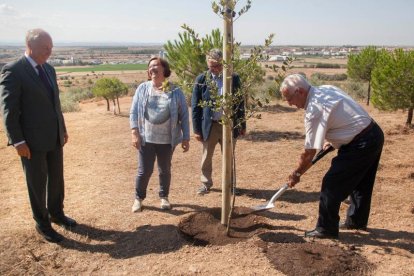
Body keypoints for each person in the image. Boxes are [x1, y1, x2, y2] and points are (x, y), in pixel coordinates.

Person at [280, 74, 384, 239]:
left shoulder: (314, 109)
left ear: (299, 91)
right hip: (373, 133)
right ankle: (356, 221)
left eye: (289, 98)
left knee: (331, 183)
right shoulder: (325, 89)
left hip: (360, 143)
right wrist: (335, 139)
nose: (290, 104)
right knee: (361, 182)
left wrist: (297, 173)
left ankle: (326, 229)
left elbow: (309, 153)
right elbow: (342, 115)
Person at [0, 29, 77, 243]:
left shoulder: (49, 69)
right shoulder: (14, 70)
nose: (49, 52)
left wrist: (62, 129)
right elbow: (9, 110)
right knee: (37, 183)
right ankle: (42, 224)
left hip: (54, 137)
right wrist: (17, 141)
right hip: (31, 143)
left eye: (51, 48)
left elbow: (55, 104)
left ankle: (57, 214)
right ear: (30, 46)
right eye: (46, 48)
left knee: (56, 180)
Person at [130, 57, 190, 212]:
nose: (152, 69)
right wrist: (134, 132)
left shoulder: (175, 91)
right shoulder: (143, 88)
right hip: (146, 139)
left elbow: (184, 114)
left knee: (165, 170)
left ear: (165, 70)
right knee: (145, 171)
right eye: (150, 67)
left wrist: (186, 137)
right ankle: (138, 198)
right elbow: (134, 111)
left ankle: (164, 197)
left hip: (167, 140)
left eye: (156, 66)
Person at [191, 49, 246, 195]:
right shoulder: (202, 79)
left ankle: (230, 185)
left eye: (217, 66)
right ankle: (205, 183)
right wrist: (196, 130)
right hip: (210, 125)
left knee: (229, 157)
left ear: (223, 63)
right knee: (206, 156)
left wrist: (241, 124)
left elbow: (240, 103)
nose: (214, 69)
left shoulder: (233, 78)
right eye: (211, 66)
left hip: (228, 125)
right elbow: (196, 106)